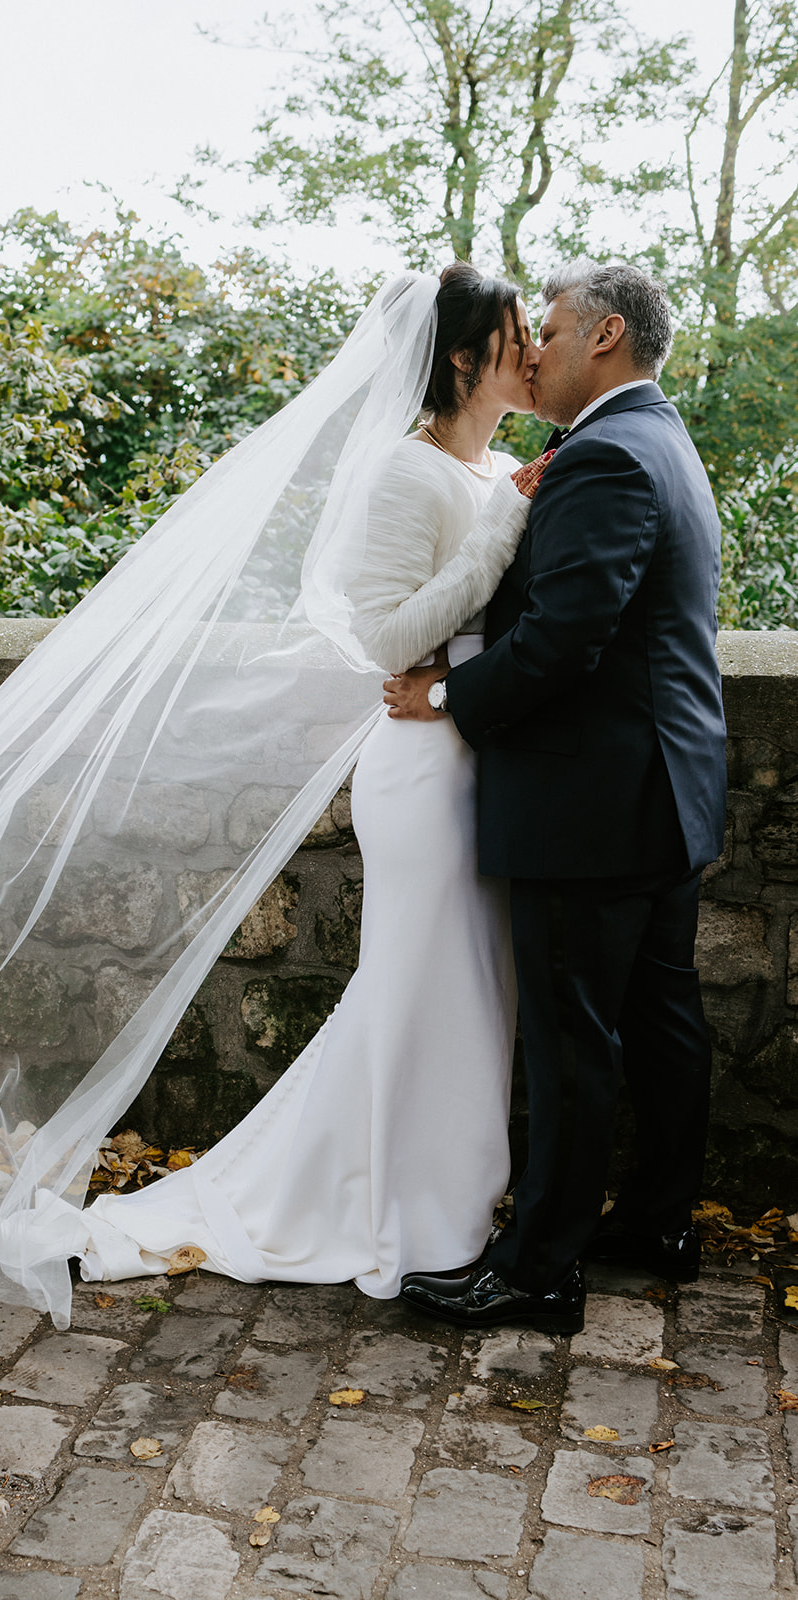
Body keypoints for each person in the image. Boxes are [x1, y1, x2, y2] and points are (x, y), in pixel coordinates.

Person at [0, 265, 547, 1328]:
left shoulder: (494, 470)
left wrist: (506, 510)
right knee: (422, 989)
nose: (533, 349)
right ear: (461, 358)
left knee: (464, 992)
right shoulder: (410, 473)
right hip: (421, 769)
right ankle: (409, 1217)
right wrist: (499, 526)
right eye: (516, 334)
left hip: (473, 759)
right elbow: (388, 637)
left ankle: (432, 1198)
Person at [388, 261, 727, 1336]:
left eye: (549, 327)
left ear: (605, 336)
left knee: (572, 1036)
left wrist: (446, 694)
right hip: (663, 790)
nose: (532, 348)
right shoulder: (659, 438)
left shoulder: (605, 456)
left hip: (592, 802)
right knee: (659, 1020)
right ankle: (658, 1225)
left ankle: (538, 1272)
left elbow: (562, 638)